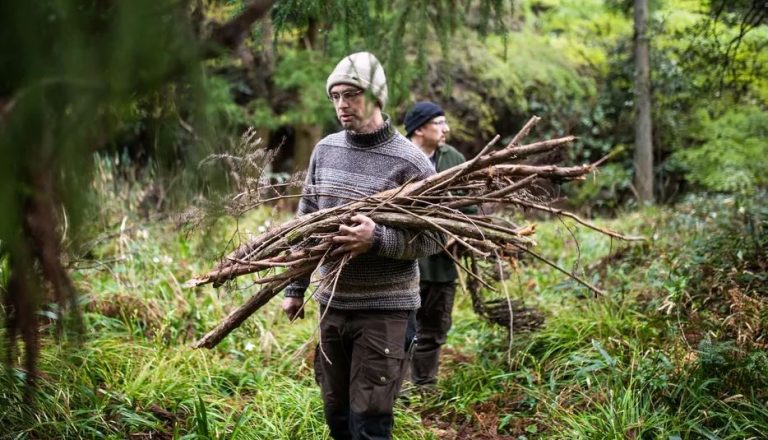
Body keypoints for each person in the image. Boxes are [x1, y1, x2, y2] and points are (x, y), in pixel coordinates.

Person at [281, 52, 444, 440]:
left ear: (376, 97)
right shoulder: (326, 150)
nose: (341, 105)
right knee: (337, 416)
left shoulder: (412, 162)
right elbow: (305, 222)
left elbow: (436, 236)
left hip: (384, 312)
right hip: (332, 306)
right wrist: (295, 287)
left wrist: (377, 239)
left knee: (369, 423)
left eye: (351, 94)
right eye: (335, 96)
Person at [403, 101, 475, 388]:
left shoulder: (453, 158)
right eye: (440, 123)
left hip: (442, 263)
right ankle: (399, 390)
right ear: (420, 128)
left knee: (434, 328)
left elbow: (470, 205)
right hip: (403, 262)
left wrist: (463, 232)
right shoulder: (398, 155)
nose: (447, 129)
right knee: (400, 330)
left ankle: (425, 386)